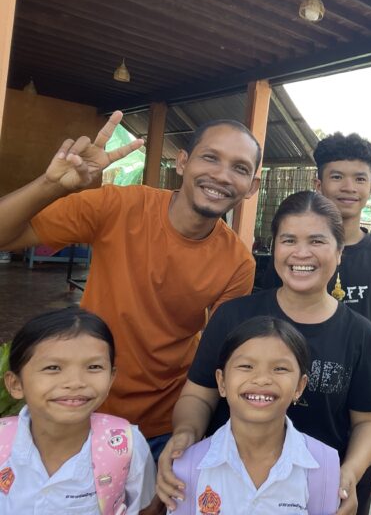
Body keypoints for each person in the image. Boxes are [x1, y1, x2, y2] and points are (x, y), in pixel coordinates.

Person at [0, 112, 262, 458]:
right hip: (82, 409)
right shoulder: (119, 205)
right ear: (183, 162)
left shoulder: (238, 263)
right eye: (210, 157)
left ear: (252, 188)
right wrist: (52, 185)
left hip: (163, 426)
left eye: (240, 168)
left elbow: (217, 358)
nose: (221, 175)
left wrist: (189, 435)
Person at [157, 191, 371, 515]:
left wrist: (349, 472)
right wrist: (185, 435)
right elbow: (198, 395)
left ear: (339, 252)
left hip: (317, 495)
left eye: (317, 241)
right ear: (274, 247)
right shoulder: (233, 316)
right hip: (227, 488)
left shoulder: (360, 334)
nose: (301, 253)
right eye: (288, 240)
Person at [265, 132, 371, 512]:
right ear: (318, 183)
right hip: (282, 405)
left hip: (356, 413)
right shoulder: (291, 255)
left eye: (360, 178)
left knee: (344, 500)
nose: (349, 188)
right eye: (338, 177)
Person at [168, 316, 340, 515]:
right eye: (246, 366)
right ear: (221, 382)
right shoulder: (189, 462)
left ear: (299, 387)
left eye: (280, 368)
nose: (262, 379)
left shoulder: (324, 463)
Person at [0, 307, 155, 514]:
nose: (75, 382)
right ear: (16, 384)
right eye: (53, 368)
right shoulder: (3, 443)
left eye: (93, 367)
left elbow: (146, 508)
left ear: (111, 378)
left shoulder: (127, 445)